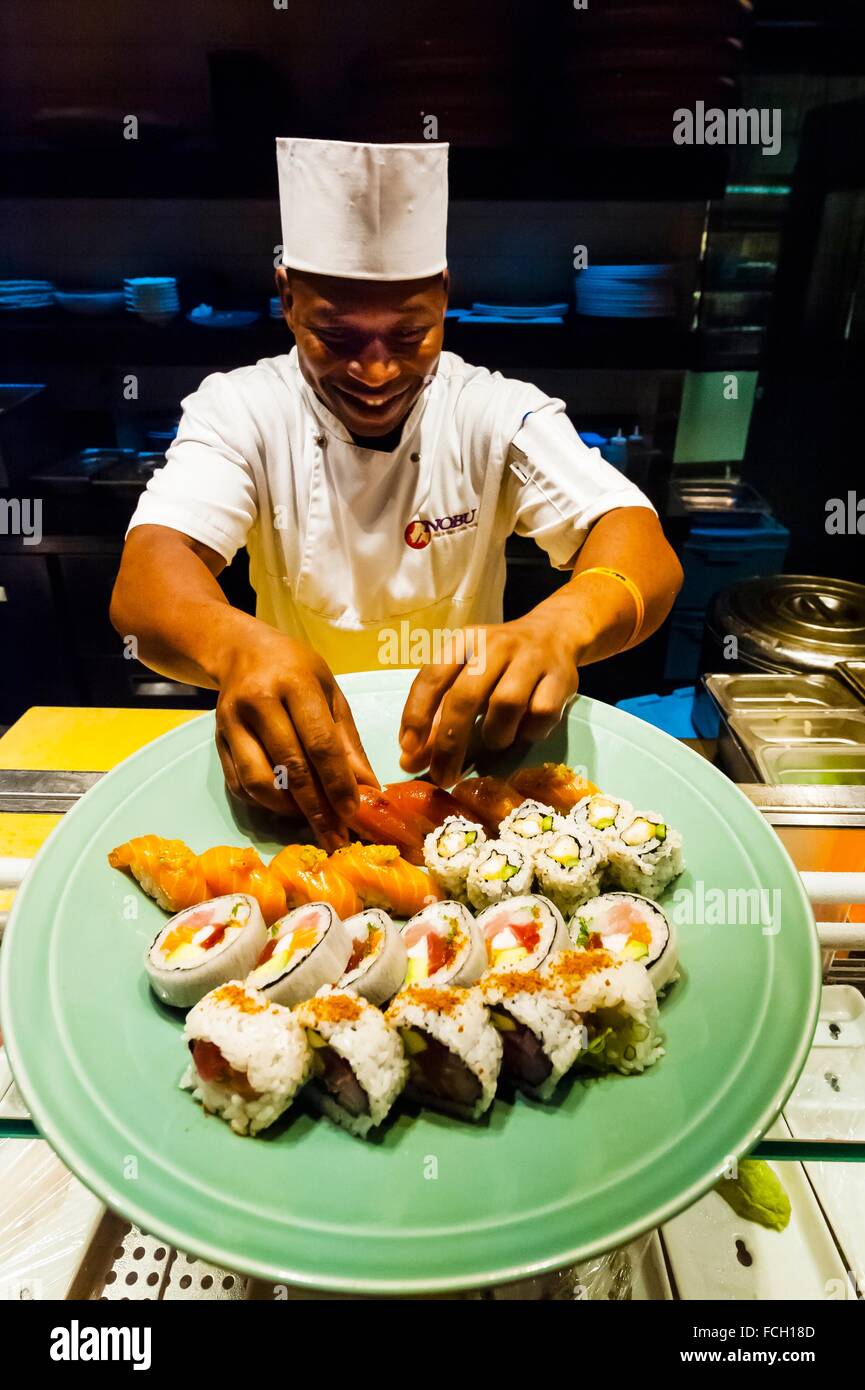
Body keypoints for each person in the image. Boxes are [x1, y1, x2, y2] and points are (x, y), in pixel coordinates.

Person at [111, 137, 682, 850]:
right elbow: (145, 580)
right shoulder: (239, 408)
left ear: (444, 294)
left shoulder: (495, 410)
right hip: (295, 766)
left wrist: (559, 625)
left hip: (471, 762)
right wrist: (233, 647)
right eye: (335, 336)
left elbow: (641, 548)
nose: (376, 371)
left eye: (409, 333)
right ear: (287, 299)